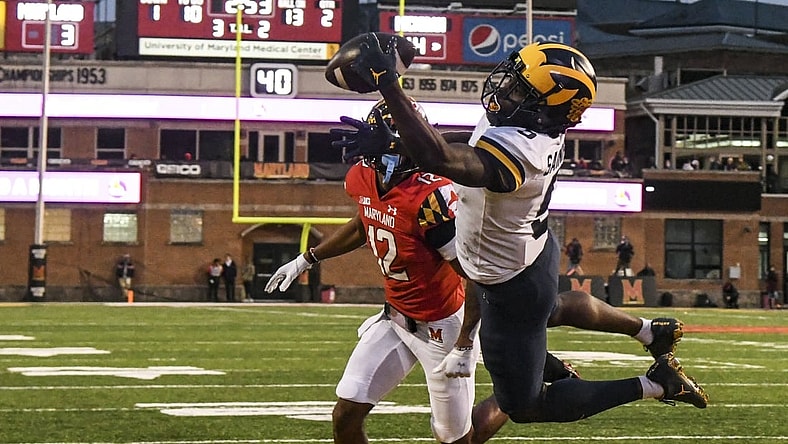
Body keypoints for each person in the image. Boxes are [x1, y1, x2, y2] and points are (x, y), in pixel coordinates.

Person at [333, 35, 707, 425]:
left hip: (510, 282)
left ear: (547, 109)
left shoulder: (523, 150)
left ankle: (658, 384)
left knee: (526, 405)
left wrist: (388, 84)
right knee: (553, 307)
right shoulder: (525, 121)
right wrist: (397, 141)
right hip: (530, 250)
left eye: (520, 89)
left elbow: (439, 157)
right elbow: (472, 142)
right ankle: (648, 331)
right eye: (512, 79)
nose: (506, 90)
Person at [268, 99, 581, 444]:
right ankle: (527, 376)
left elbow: (474, 275)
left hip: (441, 328)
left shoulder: (431, 199)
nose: (374, 154)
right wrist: (307, 258)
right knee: (346, 413)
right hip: (394, 318)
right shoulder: (363, 177)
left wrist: (464, 343)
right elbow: (364, 223)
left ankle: (520, 389)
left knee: (456, 440)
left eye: (383, 141)